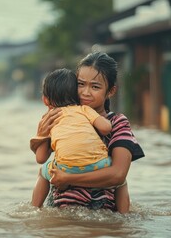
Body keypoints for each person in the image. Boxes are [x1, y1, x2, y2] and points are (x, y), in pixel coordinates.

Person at [34, 52, 145, 212]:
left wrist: (68, 178)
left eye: (95, 86)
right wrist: (41, 134)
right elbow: (41, 156)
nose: (85, 92)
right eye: (80, 84)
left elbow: (118, 174)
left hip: (99, 211)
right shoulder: (61, 117)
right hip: (60, 209)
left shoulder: (117, 124)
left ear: (111, 91)